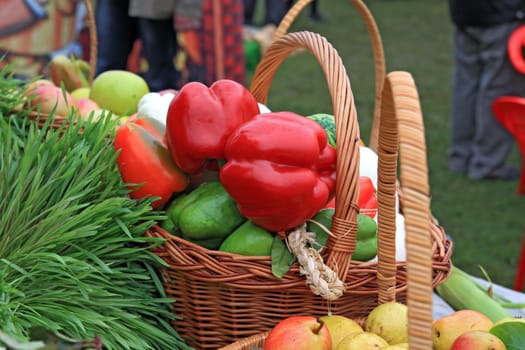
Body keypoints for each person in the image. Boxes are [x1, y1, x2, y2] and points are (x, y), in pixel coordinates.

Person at [448, 0, 525, 181]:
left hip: (466, 13)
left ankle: (461, 157)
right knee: (500, 90)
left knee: (466, 86)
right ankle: (487, 163)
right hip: (504, 14)